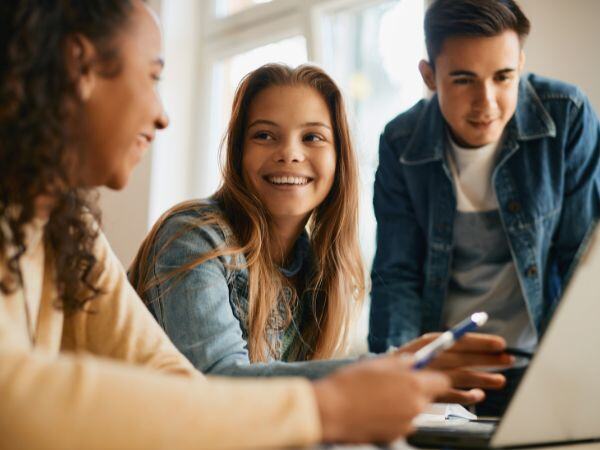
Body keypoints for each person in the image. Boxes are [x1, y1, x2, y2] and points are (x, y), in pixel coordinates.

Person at [0, 1, 454, 448]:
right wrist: (325, 406)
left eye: (313, 136)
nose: (163, 114)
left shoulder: (69, 227)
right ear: (81, 67)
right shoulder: (194, 235)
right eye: (153, 77)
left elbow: (173, 381)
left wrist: (382, 376)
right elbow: (14, 395)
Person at [129, 62, 512, 404]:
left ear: (338, 158)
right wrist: (387, 368)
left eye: (312, 137)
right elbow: (217, 382)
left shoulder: (318, 269)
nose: (290, 153)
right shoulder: (194, 237)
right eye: (264, 135)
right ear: (238, 152)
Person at [368, 0, 600, 415]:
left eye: (503, 77)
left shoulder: (568, 116)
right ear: (429, 76)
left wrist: (577, 370)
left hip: (543, 367)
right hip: (446, 373)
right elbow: (396, 275)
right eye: (463, 80)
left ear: (521, 63)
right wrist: (398, 373)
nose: (486, 102)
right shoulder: (401, 142)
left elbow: (579, 262)